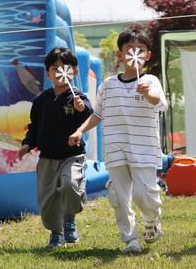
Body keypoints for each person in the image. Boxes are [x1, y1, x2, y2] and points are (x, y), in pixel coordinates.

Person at [69, 28, 167, 254]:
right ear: (120, 55)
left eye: (140, 50)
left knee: (145, 195)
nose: (135, 53)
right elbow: (98, 114)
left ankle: (152, 220)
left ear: (147, 55)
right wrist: (79, 131)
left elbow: (158, 103)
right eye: (129, 49)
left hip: (144, 149)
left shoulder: (150, 81)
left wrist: (146, 93)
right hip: (115, 150)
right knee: (119, 198)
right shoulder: (108, 85)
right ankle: (130, 239)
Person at [18, 47, 93, 248]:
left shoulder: (78, 97)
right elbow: (34, 127)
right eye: (55, 68)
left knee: (70, 185)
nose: (60, 72)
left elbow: (88, 116)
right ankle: (56, 232)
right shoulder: (41, 100)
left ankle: (69, 220)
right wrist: (27, 144)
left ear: (74, 72)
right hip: (47, 158)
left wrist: (81, 108)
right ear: (48, 73)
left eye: (65, 68)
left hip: (72, 155)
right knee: (48, 199)